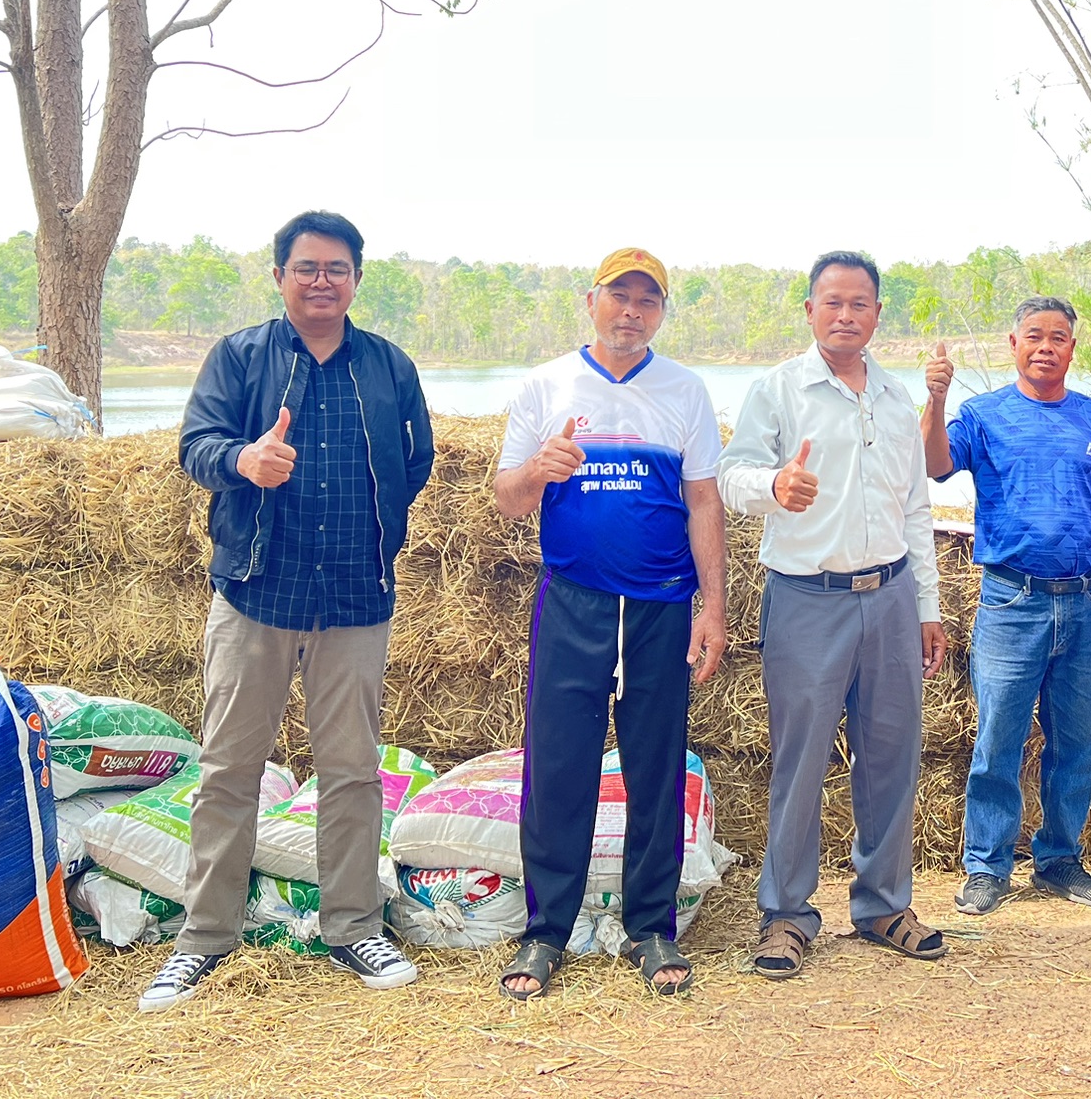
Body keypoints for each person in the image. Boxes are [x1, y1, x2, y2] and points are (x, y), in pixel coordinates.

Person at [145, 211, 435, 1012]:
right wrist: (245, 459)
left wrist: (373, 530)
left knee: (352, 772)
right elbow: (195, 446)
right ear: (279, 276)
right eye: (306, 267)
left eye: (337, 269)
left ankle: (353, 926)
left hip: (355, 597)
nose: (321, 281)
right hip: (257, 592)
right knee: (229, 770)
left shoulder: (388, 365)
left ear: (357, 280)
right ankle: (205, 938)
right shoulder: (240, 356)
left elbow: (416, 460)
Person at [491, 248, 729, 1001]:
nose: (631, 311)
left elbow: (704, 501)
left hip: (661, 605)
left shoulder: (684, 390)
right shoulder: (547, 385)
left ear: (661, 312)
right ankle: (545, 932)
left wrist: (713, 607)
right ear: (590, 301)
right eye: (618, 296)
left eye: (647, 300)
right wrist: (540, 469)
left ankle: (650, 926)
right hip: (574, 599)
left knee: (655, 766)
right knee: (558, 764)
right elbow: (507, 499)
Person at [720, 251, 948, 979]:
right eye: (833, 302)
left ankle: (883, 906)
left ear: (878, 313)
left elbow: (915, 507)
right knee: (801, 760)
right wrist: (773, 485)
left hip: (890, 597)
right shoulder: (779, 389)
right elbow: (730, 476)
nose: (846, 315)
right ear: (810, 310)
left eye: (860, 303)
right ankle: (787, 914)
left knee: (891, 756)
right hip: (807, 601)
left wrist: (927, 606)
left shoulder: (894, 396)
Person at [922, 297, 1091, 914]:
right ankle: (986, 866)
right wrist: (934, 399)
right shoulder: (983, 415)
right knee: (999, 739)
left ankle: (1060, 860)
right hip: (1013, 600)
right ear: (1013, 344)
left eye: (1058, 337)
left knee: (1078, 741)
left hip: (1087, 600)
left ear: (1073, 348)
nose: (1046, 347)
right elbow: (934, 465)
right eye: (1034, 336)